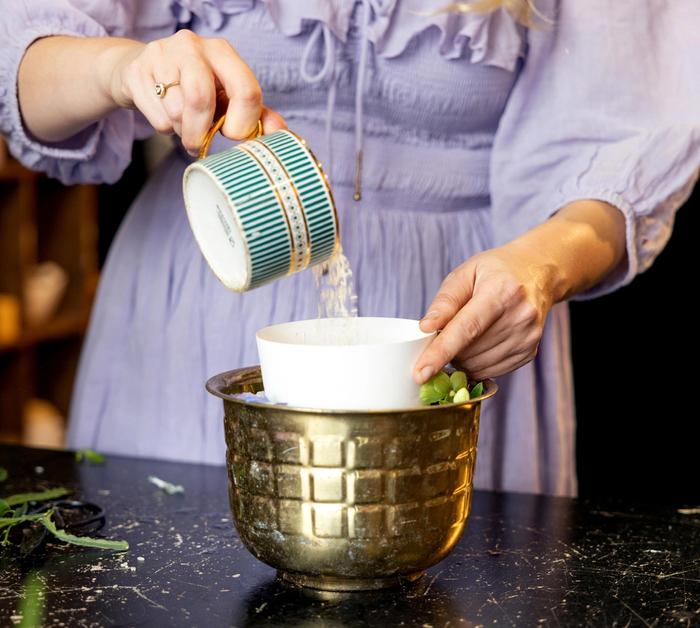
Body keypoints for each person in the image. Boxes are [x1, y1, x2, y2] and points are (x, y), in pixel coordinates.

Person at [1, 1, 698, 496]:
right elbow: (26, 76)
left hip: (450, 317)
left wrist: (541, 270)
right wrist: (124, 69)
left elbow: (618, 160)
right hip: (200, 298)